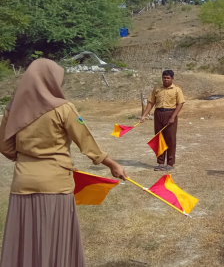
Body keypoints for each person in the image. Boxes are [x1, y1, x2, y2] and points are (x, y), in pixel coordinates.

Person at [0, 59, 128, 267]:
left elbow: (5, 146)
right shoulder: (64, 108)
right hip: (56, 183)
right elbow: (86, 142)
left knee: (26, 241)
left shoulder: (13, 108)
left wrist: (26, 159)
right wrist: (112, 164)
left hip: (22, 182)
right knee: (55, 240)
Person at [140, 70, 185, 171]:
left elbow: (180, 104)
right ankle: (160, 163)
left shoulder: (177, 89)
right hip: (158, 114)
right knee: (159, 138)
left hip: (170, 113)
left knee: (170, 139)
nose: (166, 79)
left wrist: (173, 117)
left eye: (168, 78)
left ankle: (170, 163)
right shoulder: (157, 89)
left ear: (172, 79)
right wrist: (144, 115)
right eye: (164, 77)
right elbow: (151, 102)